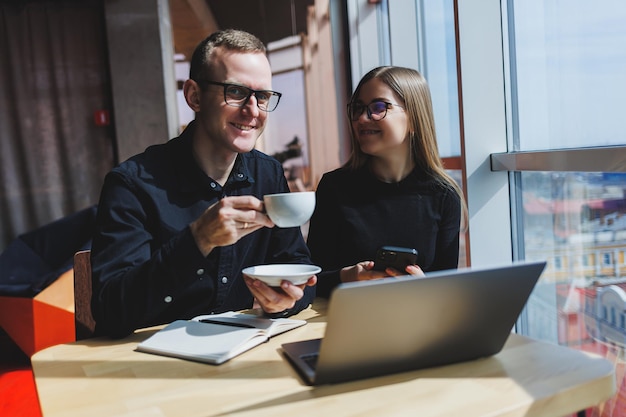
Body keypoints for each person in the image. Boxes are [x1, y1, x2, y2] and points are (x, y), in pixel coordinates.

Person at [90, 29, 317, 338]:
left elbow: (298, 271)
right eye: (236, 92)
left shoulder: (269, 174)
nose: (253, 111)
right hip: (150, 363)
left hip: (241, 349)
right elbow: (110, 311)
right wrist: (197, 240)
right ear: (194, 96)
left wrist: (285, 302)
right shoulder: (131, 185)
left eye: (262, 96)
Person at [307, 66, 466, 298]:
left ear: (414, 118)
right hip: (346, 324)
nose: (362, 118)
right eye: (358, 108)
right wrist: (348, 276)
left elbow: (446, 294)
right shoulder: (334, 188)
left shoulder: (444, 194)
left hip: (416, 326)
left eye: (378, 107)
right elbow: (310, 283)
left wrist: (425, 288)